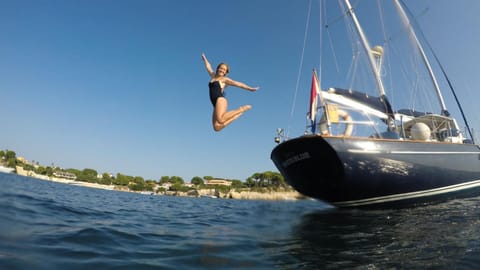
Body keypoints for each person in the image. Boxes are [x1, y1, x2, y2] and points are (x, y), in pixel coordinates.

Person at [202, 53, 259, 132]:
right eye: (221, 68)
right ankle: (235, 117)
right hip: (215, 104)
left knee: (221, 119)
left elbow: (238, 84)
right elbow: (208, 67)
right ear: (217, 68)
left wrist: (250, 88)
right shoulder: (213, 76)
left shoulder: (224, 80)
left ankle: (241, 109)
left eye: (224, 70)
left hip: (220, 100)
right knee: (216, 127)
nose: (222, 70)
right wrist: (205, 59)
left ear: (225, 72)